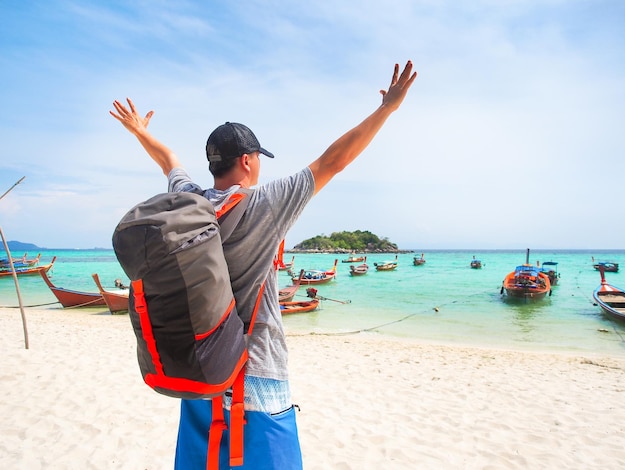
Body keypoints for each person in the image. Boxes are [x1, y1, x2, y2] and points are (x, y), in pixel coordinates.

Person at [110, 60, 416, 470]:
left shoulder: (189, 204)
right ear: (249, 161)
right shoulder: (264, 204)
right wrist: (387, 109)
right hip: (258, 372)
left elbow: (169, 162)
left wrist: (140, 131)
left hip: (201, 370)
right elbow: (332, 162)